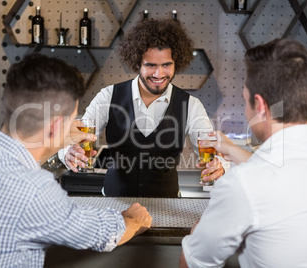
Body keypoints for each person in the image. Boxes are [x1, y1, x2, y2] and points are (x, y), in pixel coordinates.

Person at [0, 54, 152, 268]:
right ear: (54, 126)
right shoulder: (35, 190)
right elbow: (103, 234)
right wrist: (132, 220)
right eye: (72, 120)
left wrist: (61, 138)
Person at [180, 38, 307, 267]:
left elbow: (192, 264)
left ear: (259, 105)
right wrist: (231, 149)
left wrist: (197, 233)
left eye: (244, 98)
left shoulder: (243, 184)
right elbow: (280, 168)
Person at [59, 18, 225, 197]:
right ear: (137, 63)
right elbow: (77, 136)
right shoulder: (107, 96)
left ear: (176, 63)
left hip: (167, 206)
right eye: (150, 65)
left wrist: (219, 164)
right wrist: (67, 151)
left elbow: (211, 151)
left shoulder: (191, 105)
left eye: (166, 65)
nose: (159, 74)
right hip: (116, 206)